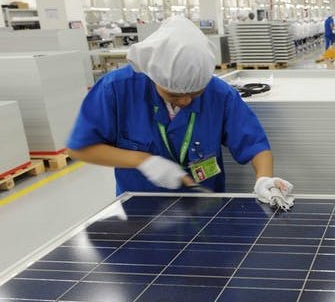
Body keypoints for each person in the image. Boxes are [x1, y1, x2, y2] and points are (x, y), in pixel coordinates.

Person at [67, 16, 294, 209]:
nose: (185, 101)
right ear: (153, 75)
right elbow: (81, 148)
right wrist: (141, 160)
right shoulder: (116, 89)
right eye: (174, 94)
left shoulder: (220, 94)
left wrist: (264, 178)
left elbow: (255, 144)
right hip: (141, 212)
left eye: (196, 93)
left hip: (206, 210)